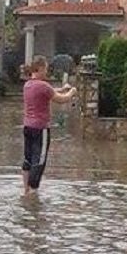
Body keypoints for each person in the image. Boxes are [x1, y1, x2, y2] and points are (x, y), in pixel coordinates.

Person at [22, 56, 77, 195]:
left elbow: (49, 91)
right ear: (40, 68)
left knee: (28, 158)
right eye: (45, 69)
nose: (46, 72)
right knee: (39, 160)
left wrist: (63, 88)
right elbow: (61, 99)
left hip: (27, 126)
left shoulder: (27, 85)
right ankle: (33, 193)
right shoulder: (43, 86)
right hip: (41, 128)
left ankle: (25, 190)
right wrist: (71, 92)